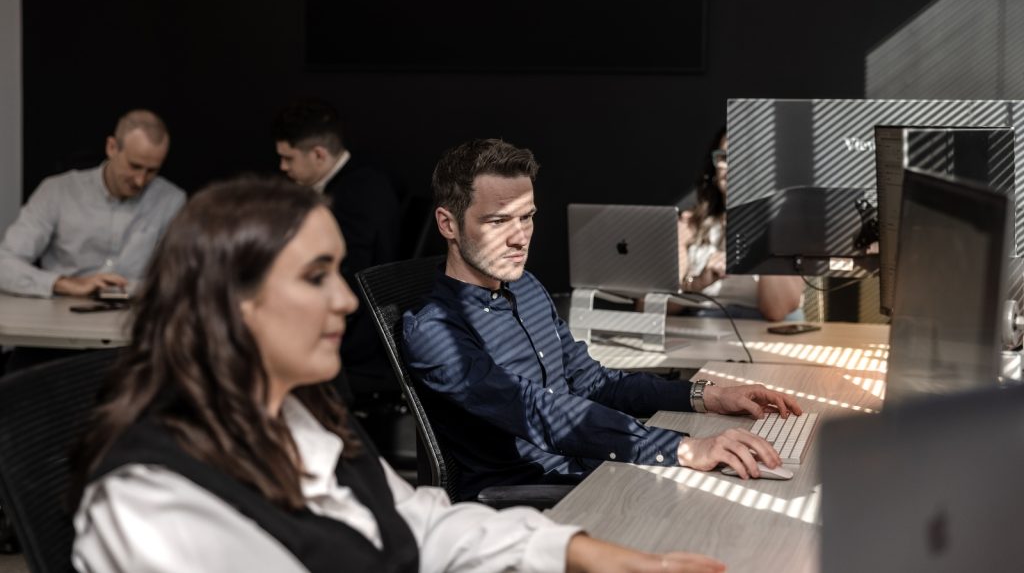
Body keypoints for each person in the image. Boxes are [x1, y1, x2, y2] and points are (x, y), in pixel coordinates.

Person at [71, 176, 725, 573]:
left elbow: (418, 523)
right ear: (232, 300)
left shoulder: (302, 418)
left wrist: (582, 553)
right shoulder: (149, 501)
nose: (345, 300)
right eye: (315, 277)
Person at [402, 139, 803, 503]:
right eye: (498, 221)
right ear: (448, 224)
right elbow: (539, 412)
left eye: (526, 217)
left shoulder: (526, 287)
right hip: (537, 498)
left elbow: (595, 383)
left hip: (592, 468)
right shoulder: (434, 331)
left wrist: (708, 396)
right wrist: (683, 448)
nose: (520, 237)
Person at [273, 99, 402, 406]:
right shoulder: (365, 181)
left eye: (288, 158)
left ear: (319, 154)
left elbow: (350, 279)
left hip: (360, 341)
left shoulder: (353, 197)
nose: (283, 168)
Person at [0, 109, 185, 299]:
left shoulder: (172, 201)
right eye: (134, 166)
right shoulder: (57, 192)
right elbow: (4, 263)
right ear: (112, 147)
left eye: (152, 171)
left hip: (135, 313)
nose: (140, 180)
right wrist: (65, 284)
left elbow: (184, 277)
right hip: (61, 310)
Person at [677, 126, 804, 321]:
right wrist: (698, 283)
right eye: (726, 158)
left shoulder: (785, 223)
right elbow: (657, 303)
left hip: (761, 327)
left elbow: (776, 310)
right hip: (701, 323)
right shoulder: (689, 223)